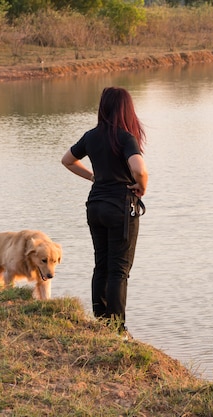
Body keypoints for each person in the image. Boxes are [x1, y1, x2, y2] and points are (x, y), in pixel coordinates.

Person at [61, 86, 148, 337]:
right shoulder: (125, 138)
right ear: (126, 109)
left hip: (95, 206)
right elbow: (139, 169)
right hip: (120, 208)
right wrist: (141, 186)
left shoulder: (91, 136)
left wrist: (92, 176)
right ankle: (118, 330)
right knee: (119, 270)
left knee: (101, 266)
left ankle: (101, 324)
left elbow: (67, 160)